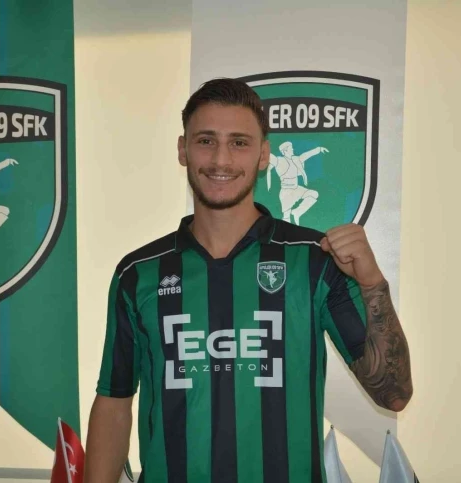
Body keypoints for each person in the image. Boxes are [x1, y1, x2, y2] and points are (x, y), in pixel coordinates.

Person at [84, 78, 412, 483]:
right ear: (183, 150)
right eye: (206, 141)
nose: (221, 159)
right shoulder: (139, 273)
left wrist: (373, 283)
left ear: (263, 155)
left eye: (239, 142)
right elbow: (114, 403)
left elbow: (393, 393)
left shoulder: (314, 260)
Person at [267, 140, 329, 225]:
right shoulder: (279, 161)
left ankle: (297, 212)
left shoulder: (296, 159)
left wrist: (319, 149)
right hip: (286, 192)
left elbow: (306, 155)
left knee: (313, 194)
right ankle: (285, 232)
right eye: (290, 148)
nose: (293, 149)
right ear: (285, 151)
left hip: (296, 189)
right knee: (286, 217)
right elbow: (269, 156)